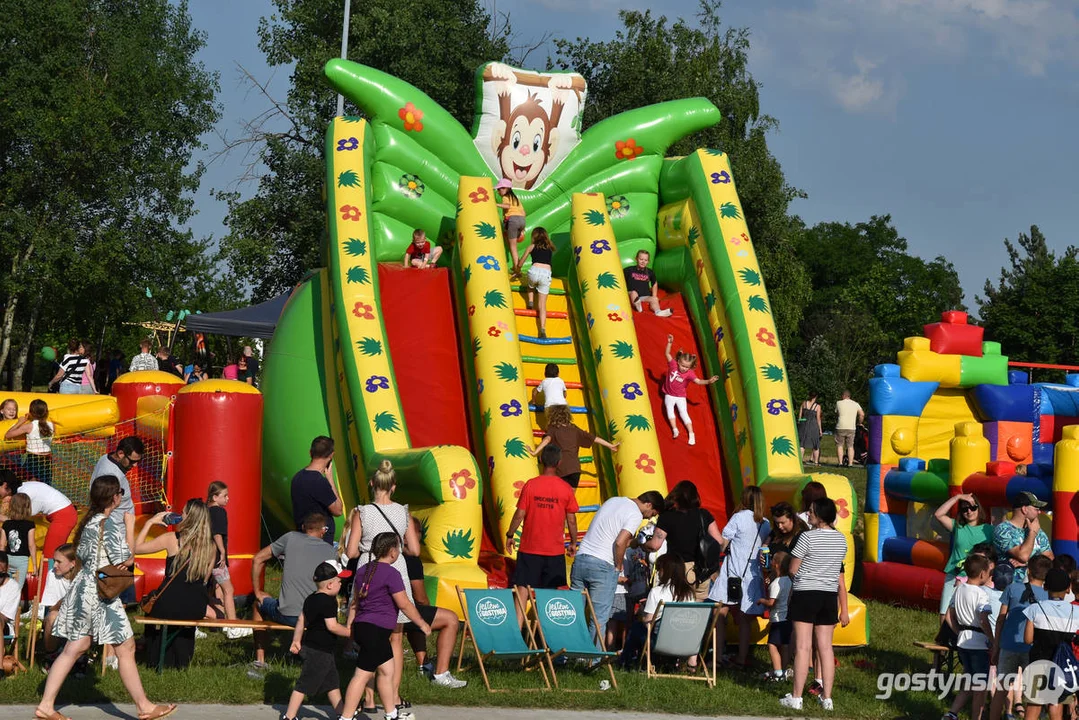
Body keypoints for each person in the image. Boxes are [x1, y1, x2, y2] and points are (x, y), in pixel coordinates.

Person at [35, 475, 177, 720]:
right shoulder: (108, 525)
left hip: (84, 591)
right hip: (101, 593)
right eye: (120, 492)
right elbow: (127, 558)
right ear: (115, 497)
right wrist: (131, 525)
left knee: (76, 646)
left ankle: (46, 706)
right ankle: (144, 707)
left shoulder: (89, 523)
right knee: (125, 646)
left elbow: (84, 556)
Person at [343, 461, 421, 709]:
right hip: (395, 570)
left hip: (369, 570)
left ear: (371, 484)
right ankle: (394, 697)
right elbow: (415, 550)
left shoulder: (362, 512)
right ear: (393, 487)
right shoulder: (402, 512)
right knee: (395, 638)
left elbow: (351, 551)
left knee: (369, 637)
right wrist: (399, 547)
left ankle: (368, 698)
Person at [341, 532, 431, 720]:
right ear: (392, 552)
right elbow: (404, 604)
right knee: (361, 675)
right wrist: (422, 623)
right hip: (375, 631)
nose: (399, 551)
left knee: (386, 671)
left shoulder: (363, 571)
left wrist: (351, 627)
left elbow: (355, 603)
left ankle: (391, 714)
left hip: (365, 628)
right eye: (398, 548)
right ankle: (346, 717)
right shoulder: (391, 573)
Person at [780, 497, 850, 712]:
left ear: (819, 516)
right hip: (828, 596)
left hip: (805, 594)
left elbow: (792, 569)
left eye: (810, 511)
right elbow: (836, 571)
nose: (807, 514)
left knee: (802, 647)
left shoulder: (806, 538)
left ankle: (796, 697)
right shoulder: (841, 540)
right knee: (826, 648)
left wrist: (801, 579)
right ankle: (827, 698)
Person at [570, 491, 665, 646]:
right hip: (602, 566)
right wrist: (617, 567)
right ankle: (592, 660)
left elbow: (612, 536)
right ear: (648, 504)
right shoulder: (635, 514)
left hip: (581, 559)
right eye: (652, 513)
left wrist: (634, 543)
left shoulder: (612, 500)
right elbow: (619, 543)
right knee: (598, 618)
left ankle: (568, 653)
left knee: (573, 613)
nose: (648, 518)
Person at [134, 500, 220, 668]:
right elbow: (204, 581)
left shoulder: (171, 539)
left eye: (184, 512)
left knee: (149, 603)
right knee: (183, 614)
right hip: (196, 606)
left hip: (168, 604)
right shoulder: (211, 547)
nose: (181, 515)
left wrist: (150, 522)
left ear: (189, 518)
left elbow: (136, 548)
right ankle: (181, 661)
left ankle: (153, 656)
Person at [251, 513, 337, 668]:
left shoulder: (290, 537)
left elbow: (258, 558)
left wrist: (257, 591)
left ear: (303, 527)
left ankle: (260, 660)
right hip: (315, 618)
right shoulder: (331, 552)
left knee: (258, 603)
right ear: (323, 530)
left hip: (288, 614)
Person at [505, 445, 579, 622]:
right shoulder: (566, 488)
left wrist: (510, 534)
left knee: (522, 588)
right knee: (549, 594)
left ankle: (517, 630)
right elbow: (572, 520)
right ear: (559, 462)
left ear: (540, 460)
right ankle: (544, 634)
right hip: (553, 550)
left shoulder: (531, 485)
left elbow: (520, 514)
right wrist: (574, 542)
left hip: (530, 548)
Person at [709, 486, 771, 668]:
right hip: (753, 575)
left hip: (732, 572)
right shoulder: (765, 523)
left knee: (720, 613)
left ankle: (718, 656)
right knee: (745, 619)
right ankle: (742, 658)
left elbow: (723, 543)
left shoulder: (738, 517)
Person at [399, 525, 468, 689]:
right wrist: (428, 613)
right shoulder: (411, 559)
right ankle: (441, 674)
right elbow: (421, 597)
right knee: (450, 619)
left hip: (382, 611)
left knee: (417, 614)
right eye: (419, 533)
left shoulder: (386, 553)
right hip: (400, 612)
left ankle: (425, 666)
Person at [283, 560, 353, 720]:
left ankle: (342, 714)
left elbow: (301, 620)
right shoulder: (328, 602)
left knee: (332, 684)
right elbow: (333, 626)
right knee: (305, 683)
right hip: (319, 651)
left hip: (316, 647)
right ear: (330, 585)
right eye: (339, 581)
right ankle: (289, 716)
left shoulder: (311, 598)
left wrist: (296, 640)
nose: (341, 584)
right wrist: (350, 632)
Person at [991, 556, 1049, 720]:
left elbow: (1001, 618)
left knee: (1001, 690)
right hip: (1033, 649)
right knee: (1033, 692)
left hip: (1008, 645)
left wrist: (996, 645)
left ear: (1028, 572)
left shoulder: (1012, 588)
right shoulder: (1048, 596)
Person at [644, 480, 722, 601]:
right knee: (699, 610)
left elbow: (655, 545)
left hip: (679, 569)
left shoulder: (667, 517)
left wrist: (642, 544)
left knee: (681, 610)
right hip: (703, 570)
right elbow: (719, 541)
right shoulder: (704, 515)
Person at [619, 553, 696, 667]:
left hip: (662, 643)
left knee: (637, 626)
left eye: (659, 569)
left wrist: (643, 610)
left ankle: (626, 662)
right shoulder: (689, 594)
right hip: (684, 643)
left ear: (666, 570)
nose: (658, 573)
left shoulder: (656, 592)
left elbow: (648, 624)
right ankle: (689, 663)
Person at [1023, 568, 1079, 720]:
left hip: (1038, 664)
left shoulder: (1035, 609)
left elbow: (1027, 639)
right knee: (1056, 705)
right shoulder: (1076, 611)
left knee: (1033, 706)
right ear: (1068, 590)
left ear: (1045, 587)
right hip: (1062, 666)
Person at [944, 554, 994, 720]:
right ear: (982, 574)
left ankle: (952, 713)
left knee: (969, 681)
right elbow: (983, 619)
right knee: (980, 687)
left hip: (963, 642)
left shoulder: (959, 589)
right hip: (978, 643)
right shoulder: (981, 594)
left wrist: (959, 631)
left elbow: (948, 616)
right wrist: (992, 639)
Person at [935, 492, 994, 620]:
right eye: (964, 508)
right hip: (954, 574)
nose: (969, 511)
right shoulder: (958, 527)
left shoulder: (989, 530)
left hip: (978, 578)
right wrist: (957, 497)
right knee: (945, 612)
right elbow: (938, 514)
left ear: (979, 508)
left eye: (973, 507)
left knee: (972, 615)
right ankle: (944, 639)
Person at [530, 404, 619, 488]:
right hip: (575, 469)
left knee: (558, 497)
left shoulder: (553, 428)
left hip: (561, 468)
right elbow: (594, 438)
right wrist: (610, 445)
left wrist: (535, 452)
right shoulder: (574, 428)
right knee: (569, 499)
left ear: (552, 416)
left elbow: (547, 439)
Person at [0, 473, 76, 557]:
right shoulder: (23, 487)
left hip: (64, 515)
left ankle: (49, 569)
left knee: (49, 554)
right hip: (63, 512)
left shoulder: (24, 494)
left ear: (5, 485)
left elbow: (18, 521)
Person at [661, 335, 719, 446]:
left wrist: (709, 381)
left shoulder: (689, 373)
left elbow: (698, 381)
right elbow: (667, 354)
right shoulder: (673, 365)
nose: (683, 368)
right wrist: (669, 343)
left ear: (690, 367)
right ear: (678, 361)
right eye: (682, 365)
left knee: (683, 413)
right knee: (669, 410)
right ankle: (675, 429)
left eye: (686, 367)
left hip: (681, 396)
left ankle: (691, 433)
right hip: (669, 394)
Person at [207, 481, 246, 634]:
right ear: (215, 497)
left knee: (216, 589)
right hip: (216, 558)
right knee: (229, 590)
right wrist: (222, 551)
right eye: (225, 496)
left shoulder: (205, 510)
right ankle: (233, 625)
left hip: (205, 557)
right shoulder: (219, 512)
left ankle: (219, 621)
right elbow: (217, 533)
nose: (228, 499)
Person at [291, 436, 344, 543]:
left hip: (302, 536)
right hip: (320, 543)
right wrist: (330, 479)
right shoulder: (319, 482)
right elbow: (338, 510)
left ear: (310, 453)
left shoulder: (297, 477)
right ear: (331, 455)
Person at [994, 491, 1053, 584]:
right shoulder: (1003, 530)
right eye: (1036, 508)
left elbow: (1050, 558)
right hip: (1010, 588)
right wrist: (1032, 533)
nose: (1039, 512)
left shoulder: (1037, 530)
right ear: (1024, 509)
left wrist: (1028, 563)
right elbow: (1023, 556)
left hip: (1035, 588)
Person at [758, 551, 794, 682]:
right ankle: (783, 670)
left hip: (778, 620)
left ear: (776, 565)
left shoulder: (775, 584)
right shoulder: (789, 581)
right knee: (784, 645)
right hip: (788, 619)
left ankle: (777, 673)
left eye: (772, 560)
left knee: (772, 645)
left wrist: (761, 601)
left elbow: (771, 603)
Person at [39, 543, 79, 654]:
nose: (54, 565)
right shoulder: (52, 575)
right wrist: (65, 601)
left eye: (59, 562)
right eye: (54, 561)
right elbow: (51, 609)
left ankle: (77, 656)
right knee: (52, 616)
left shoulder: (82, 578)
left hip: (79, 617)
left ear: (72, 564)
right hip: (58, 614)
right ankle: (51, 654)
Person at [5, 398, 55, 485]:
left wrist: (20, 422)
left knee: (27, 484)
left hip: (33, 459)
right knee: (45, 485)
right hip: (47, 460)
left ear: (30, 413)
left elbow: (8, 435)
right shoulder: (51, 425)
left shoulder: (29, 426)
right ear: (46, 412)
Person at [517, 227, 554, 337]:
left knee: (530, 285)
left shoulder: (531, 247)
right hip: (546, 273)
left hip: (534, 271)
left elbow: (521, 263)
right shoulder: (550, 248)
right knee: (542, 305)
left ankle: (531, 301)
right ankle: (542, 329)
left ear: (534, 236)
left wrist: (517, 271)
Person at [0, 492, 36, 593]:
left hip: (8, 559)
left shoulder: (6, 524)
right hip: (22, 561)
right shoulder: (30, 525)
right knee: (17, 588)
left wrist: (1, 562)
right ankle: (13, 607)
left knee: (4, 586)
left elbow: (2, 545)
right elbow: (31, 545)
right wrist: (34, 565)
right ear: (27, 508)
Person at [624, 249, 672, 317]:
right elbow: (620, 278)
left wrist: (654, 295)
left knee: (654, 299)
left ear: (648, 261)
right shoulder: (629, 270)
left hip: (644, 297)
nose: (643, 262)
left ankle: (658, 312)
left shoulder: (650, 272)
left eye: (645, 260)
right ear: (636, 259)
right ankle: (637, 305)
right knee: (634, 293)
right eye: (641, 259)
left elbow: (654, 283)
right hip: (631, 295)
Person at [495, 178, 526, 274]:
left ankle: (517, 270)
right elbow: (524, 213)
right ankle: (515, 266)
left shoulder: (505, 197)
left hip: (512, 221)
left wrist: (495, 204)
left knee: (513, 247)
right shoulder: (516, 199)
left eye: (500, 189)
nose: (498, 191)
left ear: (506, 188)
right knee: (512, 245)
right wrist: (522, 229)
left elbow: (507, 206)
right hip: (522, 220)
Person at [834, 390, 864, 467]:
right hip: (851, 427)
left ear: (844, 396)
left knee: (840, 445)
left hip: (840, 426)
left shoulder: (838, 403)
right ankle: (850, 464)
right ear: (849, 396)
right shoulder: (856, 404)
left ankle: (840, 463)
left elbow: (837, 414)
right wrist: (859, 423)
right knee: (850, 446)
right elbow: (862, 414)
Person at [798, 393, 822, 465]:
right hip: (813, 426)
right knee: (815, 444)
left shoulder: (804, 403)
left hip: (803, 425)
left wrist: (803, 421)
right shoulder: (817, 406)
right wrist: (820, 429)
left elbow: (799, 417)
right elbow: (818, 418)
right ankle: (816, 462)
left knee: (802, 444)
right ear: (816, 397)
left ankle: (800, 460)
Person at [0, 552, 18, 636]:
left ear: (7, 569)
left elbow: (6, 617)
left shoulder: (13, 587)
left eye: (1, 574)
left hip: (3, 627)